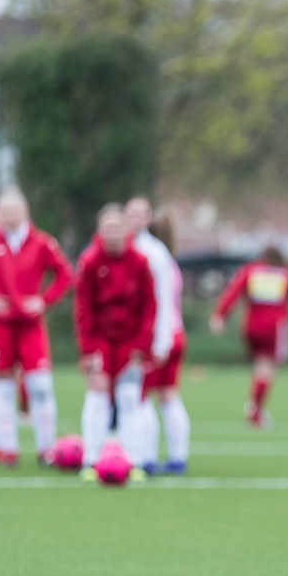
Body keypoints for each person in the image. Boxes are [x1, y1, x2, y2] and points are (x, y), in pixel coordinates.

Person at [0, 189, 74, 467]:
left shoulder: (42, 242)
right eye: (5, 211)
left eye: (15, 210)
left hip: (31, 325)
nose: (10, 216)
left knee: (40, 385)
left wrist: (43, 301)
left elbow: (65, 275)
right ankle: (6, 448)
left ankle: (47, 449)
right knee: (2, 385)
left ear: (25, 211)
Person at [73, 204, 156, 479]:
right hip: (100, 340)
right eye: (107, 228)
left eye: (117, 228)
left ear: (127, 230)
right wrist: (88, 349)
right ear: (100, 232)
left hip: (130, 341)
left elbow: (149, 307)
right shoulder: (89, 261)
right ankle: (91, 460)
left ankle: (134, 460)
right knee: (97, 396)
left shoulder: (140, 262)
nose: (112, 234)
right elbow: (83, 308)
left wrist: (142, 346)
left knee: (130, 398)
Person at [125, 197, 191, 474]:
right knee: (166, 396)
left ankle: (147, 457)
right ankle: (176, 457)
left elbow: (160, 301)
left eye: (141, 214)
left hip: (159, 336)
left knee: (144, 396)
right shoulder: (157, 251)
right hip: (168, 332)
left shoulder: (150, 253)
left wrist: (159, 340)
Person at [209, 246, 288, 427]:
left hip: (251, 325)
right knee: (268, 367)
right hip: (274, 326)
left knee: (260, 365)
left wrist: (220, 315)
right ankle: (255, 409)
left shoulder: (250, 271)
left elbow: (233, 292)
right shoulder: (286, 274)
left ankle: (255, 407)